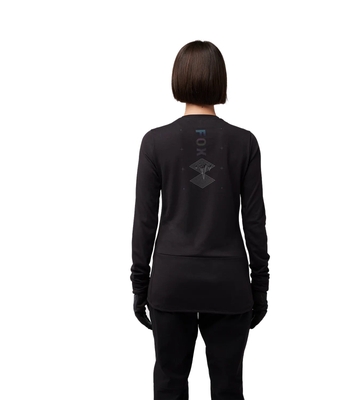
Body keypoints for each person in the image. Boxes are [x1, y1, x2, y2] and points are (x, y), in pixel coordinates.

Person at [130, 40, 270, 400]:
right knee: (228, 388)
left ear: (178, 78)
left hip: (171, 281)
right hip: (228, 282)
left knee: (170, 384)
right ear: (220, 80)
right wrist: (260, 286)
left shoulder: (155, 142)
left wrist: (139, 285)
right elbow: (254, 221)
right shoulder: (244, 143)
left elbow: (145, 221)